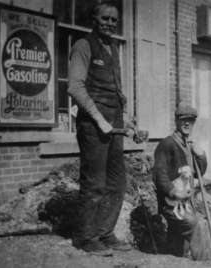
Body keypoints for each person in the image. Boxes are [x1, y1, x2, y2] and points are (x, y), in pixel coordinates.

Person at [68, 1, 133, 255]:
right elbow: (75, 87)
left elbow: (116, 92)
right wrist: (99, 119)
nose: (110, 23)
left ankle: (105, 233)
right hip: (93, 126)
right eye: (105, 18)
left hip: (114, 125)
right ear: (94, 20)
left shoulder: (113, 48)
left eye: (114, 20)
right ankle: (86, 237)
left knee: (117, 183)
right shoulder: (83, 46)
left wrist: (125, 120)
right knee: (94, 183)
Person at [153, 103, 211, 260]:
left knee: (178, 242)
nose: (187, 124)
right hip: (172, 203)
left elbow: (199, 172)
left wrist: (200, 155)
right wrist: (174, 192)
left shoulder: (188, 145)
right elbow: (159, 176)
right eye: (183, 120)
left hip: (187, 202)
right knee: (196, 225)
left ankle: (175, 259)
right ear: (176, 121)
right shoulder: (167, 144)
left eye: (191, 120)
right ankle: (206, 263)